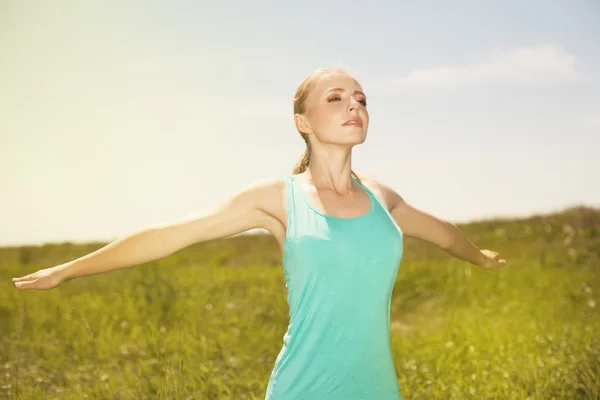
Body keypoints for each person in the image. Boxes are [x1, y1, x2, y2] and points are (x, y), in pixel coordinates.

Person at [12, 68, 507, 399]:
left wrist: (479, 257)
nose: (353, 105)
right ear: (302, 121)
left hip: (378, 388)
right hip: (303, 388)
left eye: (360, 99)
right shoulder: (279, 199)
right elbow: (172, 235)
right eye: (335, 99)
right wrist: (68, 269)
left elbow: (441, 232)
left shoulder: (382, 197)